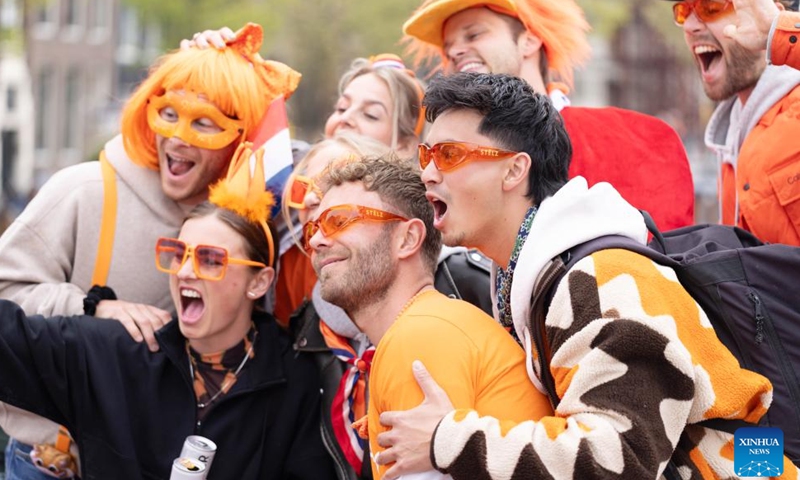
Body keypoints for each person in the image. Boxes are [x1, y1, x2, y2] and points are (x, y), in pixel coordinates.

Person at [373, 73, 800, 479]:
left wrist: (448, 439)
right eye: (426, 155)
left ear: (514, 170)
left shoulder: (602, 277)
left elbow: (620, 459)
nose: (428, 172)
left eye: (450, 155)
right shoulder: (538, 275)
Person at [0, 23, 300, 479]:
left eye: (205, 123)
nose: (178, 137)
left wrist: (242, 75)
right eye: (168, 113)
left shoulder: (246, 219)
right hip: (51, 460)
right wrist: (94, 308)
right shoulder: (84, 190)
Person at [0, 139, 335, 480]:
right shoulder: (117, 354)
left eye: (210, 259)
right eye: (179, 254)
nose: (185, 271)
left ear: (259, 282)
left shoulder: (295, 381)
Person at [304, 155, 552, 480]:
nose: (316, 241)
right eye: (313, 228)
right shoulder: (428, 325)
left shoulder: (420, 333)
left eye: (338, 221)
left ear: (407, 238)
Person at [401, 0, 695, 231]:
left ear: (529, 40)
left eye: (474, 34)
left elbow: (661, 260)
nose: (455, 52)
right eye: (447, 48)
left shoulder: (636, 137)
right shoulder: (443, 161)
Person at [669, 0, 800, 245]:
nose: (689, 26)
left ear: (771, 13)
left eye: (711, 7)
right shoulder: (733, 134)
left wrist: (779, 30)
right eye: (684, 11)